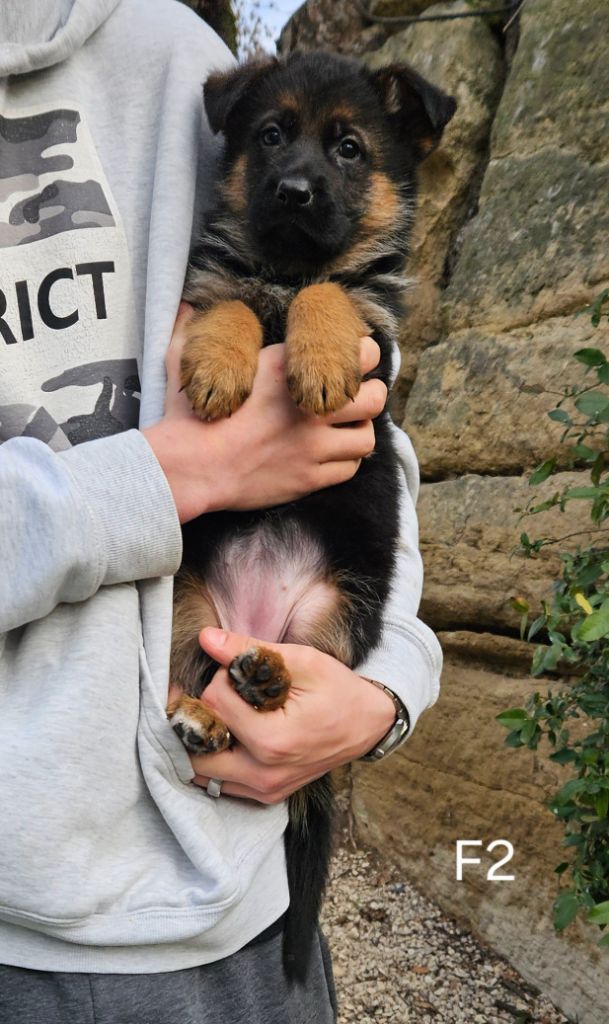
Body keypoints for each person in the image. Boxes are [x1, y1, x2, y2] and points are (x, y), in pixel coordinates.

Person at [0, 1, 443, 1021]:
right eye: (275, 141)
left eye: (344, 150)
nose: (299, 175)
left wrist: (382, 693)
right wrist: (166, 474)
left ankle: (232, 689)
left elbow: (369, 441)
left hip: (231, 885)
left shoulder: (171, 58)